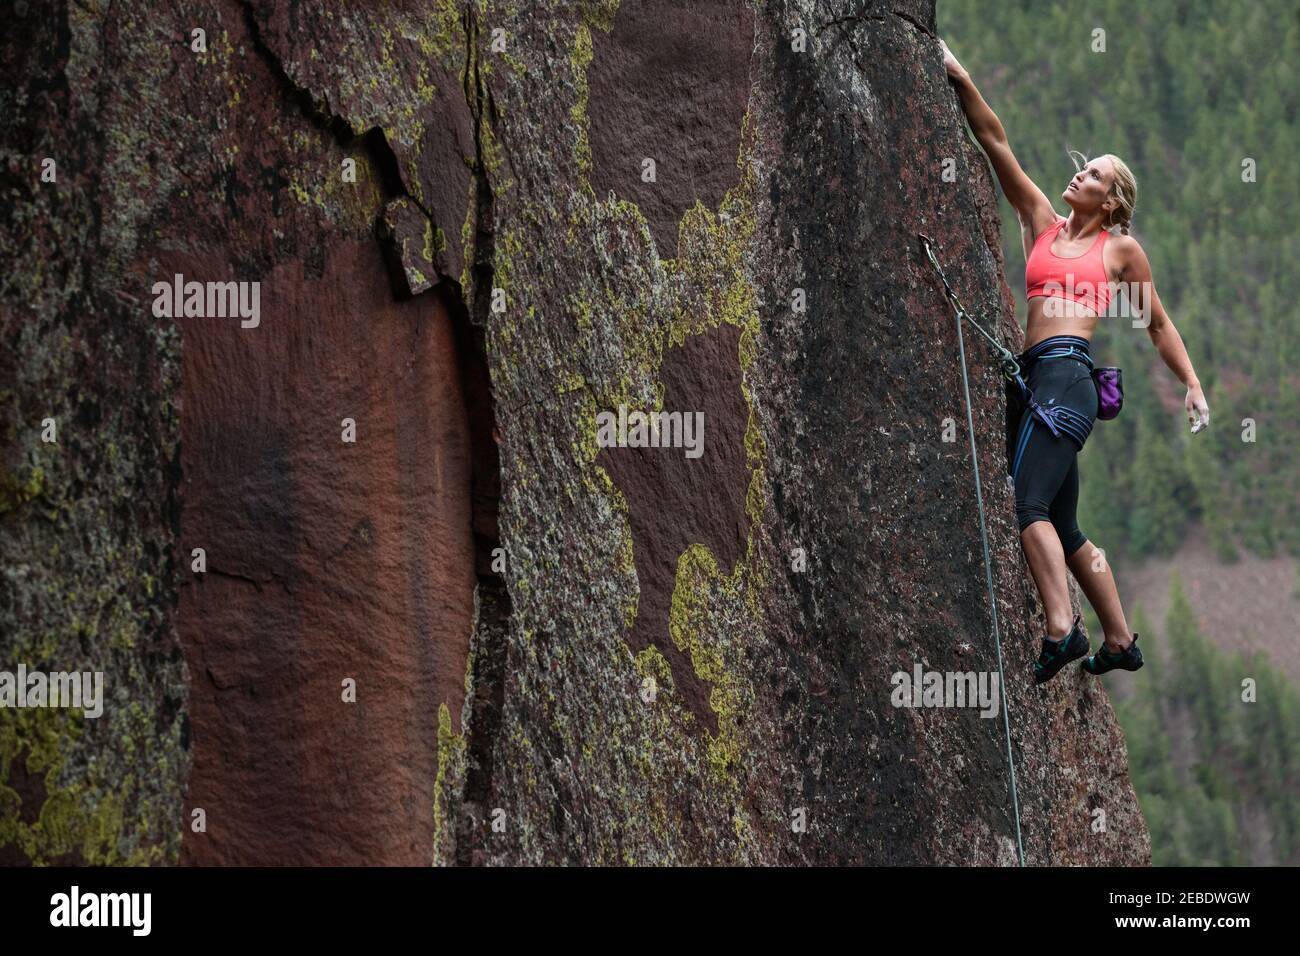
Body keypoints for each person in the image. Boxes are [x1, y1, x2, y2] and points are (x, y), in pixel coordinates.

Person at [940, 39, 1210, 683]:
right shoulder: (1041, 221)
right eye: (1083, 169)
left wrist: (1193, 384)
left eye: (1094, 176)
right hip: (1035, 379)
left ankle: (1062, 629)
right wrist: (960, 76)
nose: (1079, 176)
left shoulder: (1121, 252)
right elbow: (995, 141)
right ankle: (1118, 639)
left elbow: (1158, 323)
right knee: (1062, 520)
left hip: (1067, 378)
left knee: (1025, 504)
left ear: (1112, 201)